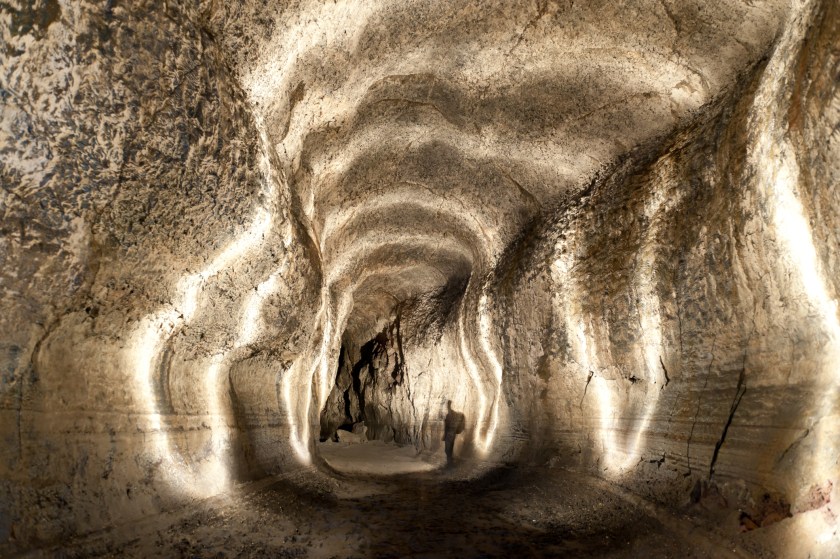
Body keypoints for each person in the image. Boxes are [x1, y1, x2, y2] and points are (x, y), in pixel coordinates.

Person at [442, 400, 465, 466]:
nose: (447, 407)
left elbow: (448, 426)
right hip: (450, 434)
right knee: (449, 448)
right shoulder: (450, 415)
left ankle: (449, 461)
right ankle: (450, 461)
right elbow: (446, 426)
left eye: (448, 405)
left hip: (450, 434)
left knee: (448, 449)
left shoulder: (452, 414)